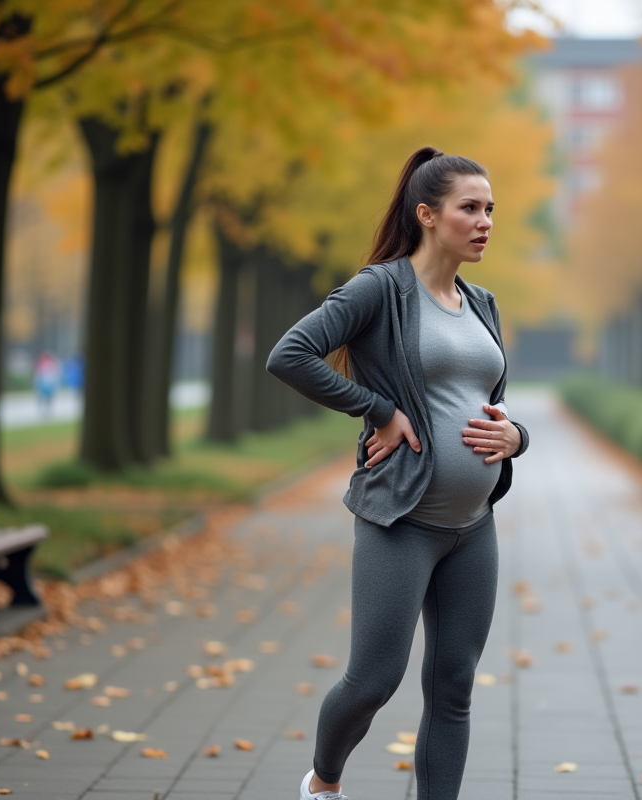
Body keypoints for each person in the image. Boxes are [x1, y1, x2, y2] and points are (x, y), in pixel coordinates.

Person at [267, 146, 530, 800]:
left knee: (455, 686)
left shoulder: (482, 302)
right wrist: (378, 409)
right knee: (373, 682)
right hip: (400, 521)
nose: (485, 221)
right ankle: (323, 782)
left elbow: (491, 404)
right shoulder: (380, 288)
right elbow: (291, 354)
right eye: (470, 208)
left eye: (490, 209)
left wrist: (517, 436)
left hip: (474, 527)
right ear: (427, 215)